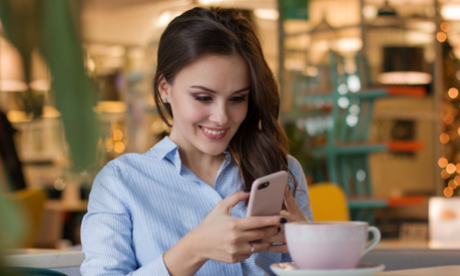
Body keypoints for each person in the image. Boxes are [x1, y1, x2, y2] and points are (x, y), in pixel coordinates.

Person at [81, 6, 313, 276]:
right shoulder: (120, 182)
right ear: (164, 88)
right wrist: (194, 249)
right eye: (203, 97)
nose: (221, 117)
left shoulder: (280, 170)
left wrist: (314, 252)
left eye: (237, 98)